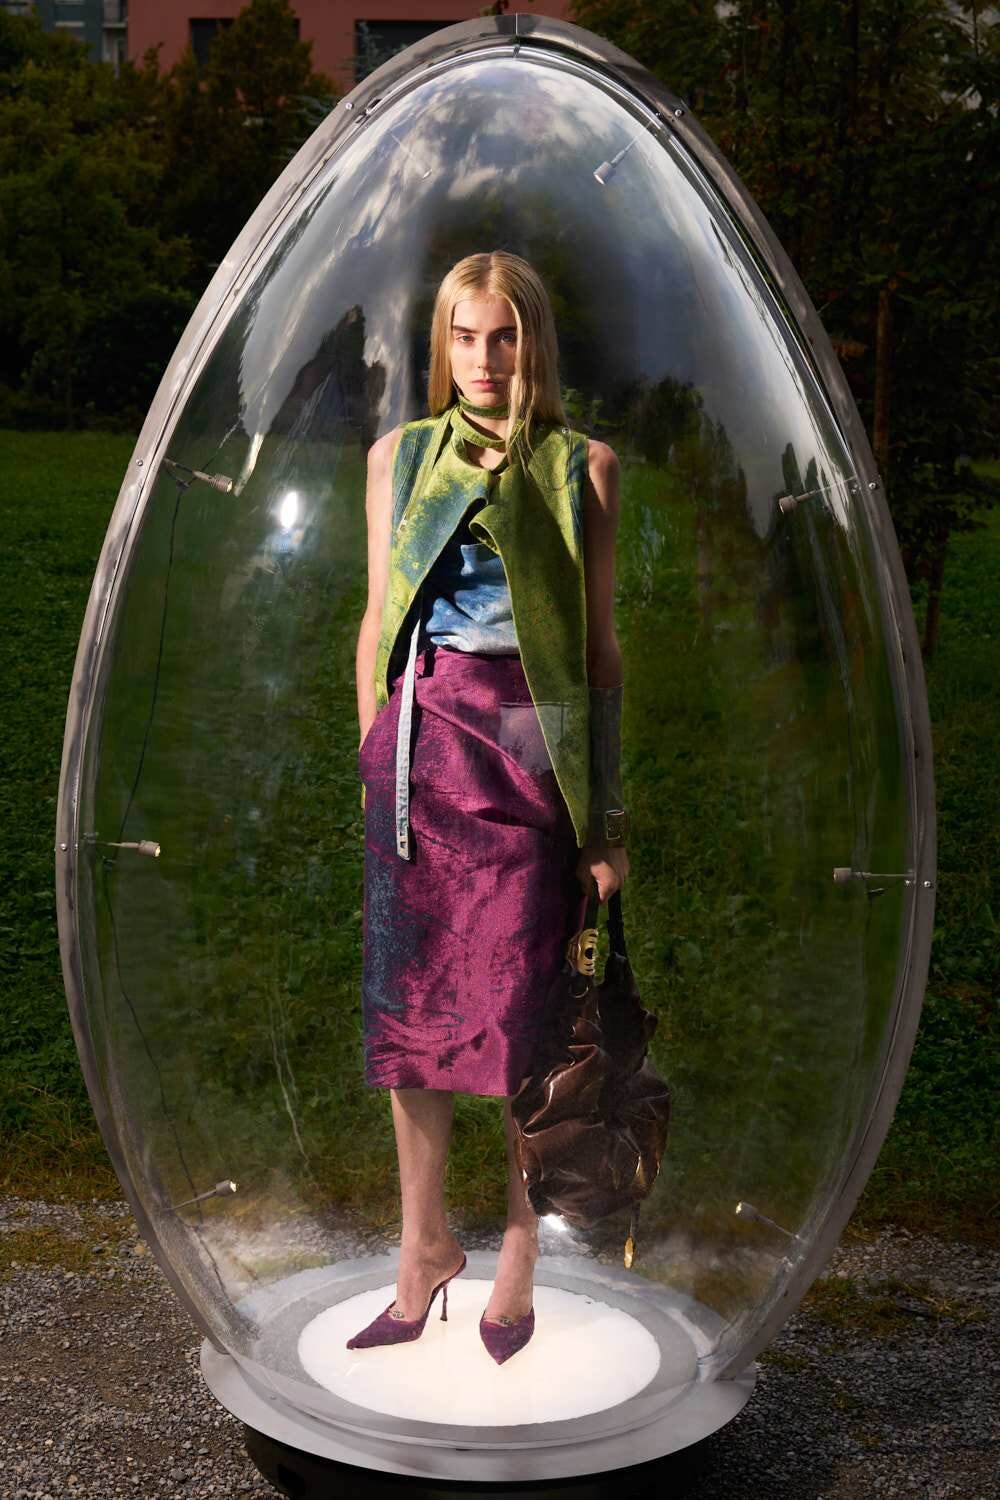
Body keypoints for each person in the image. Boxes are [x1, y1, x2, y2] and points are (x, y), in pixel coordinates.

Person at [348, 251, 629, 1363]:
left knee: (523, 1016)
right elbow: (375, 618)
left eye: (504, 336)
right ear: (441, 347)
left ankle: (517, 1255)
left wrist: (605, 823)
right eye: (465, 336)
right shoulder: (397, 459)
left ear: (535, 344)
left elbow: (601, 652)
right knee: (408, 1017)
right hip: (419, 749)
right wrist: (373, 761)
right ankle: (422, 1249)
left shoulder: (581, 467)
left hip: (527, 749)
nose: (483, 360)